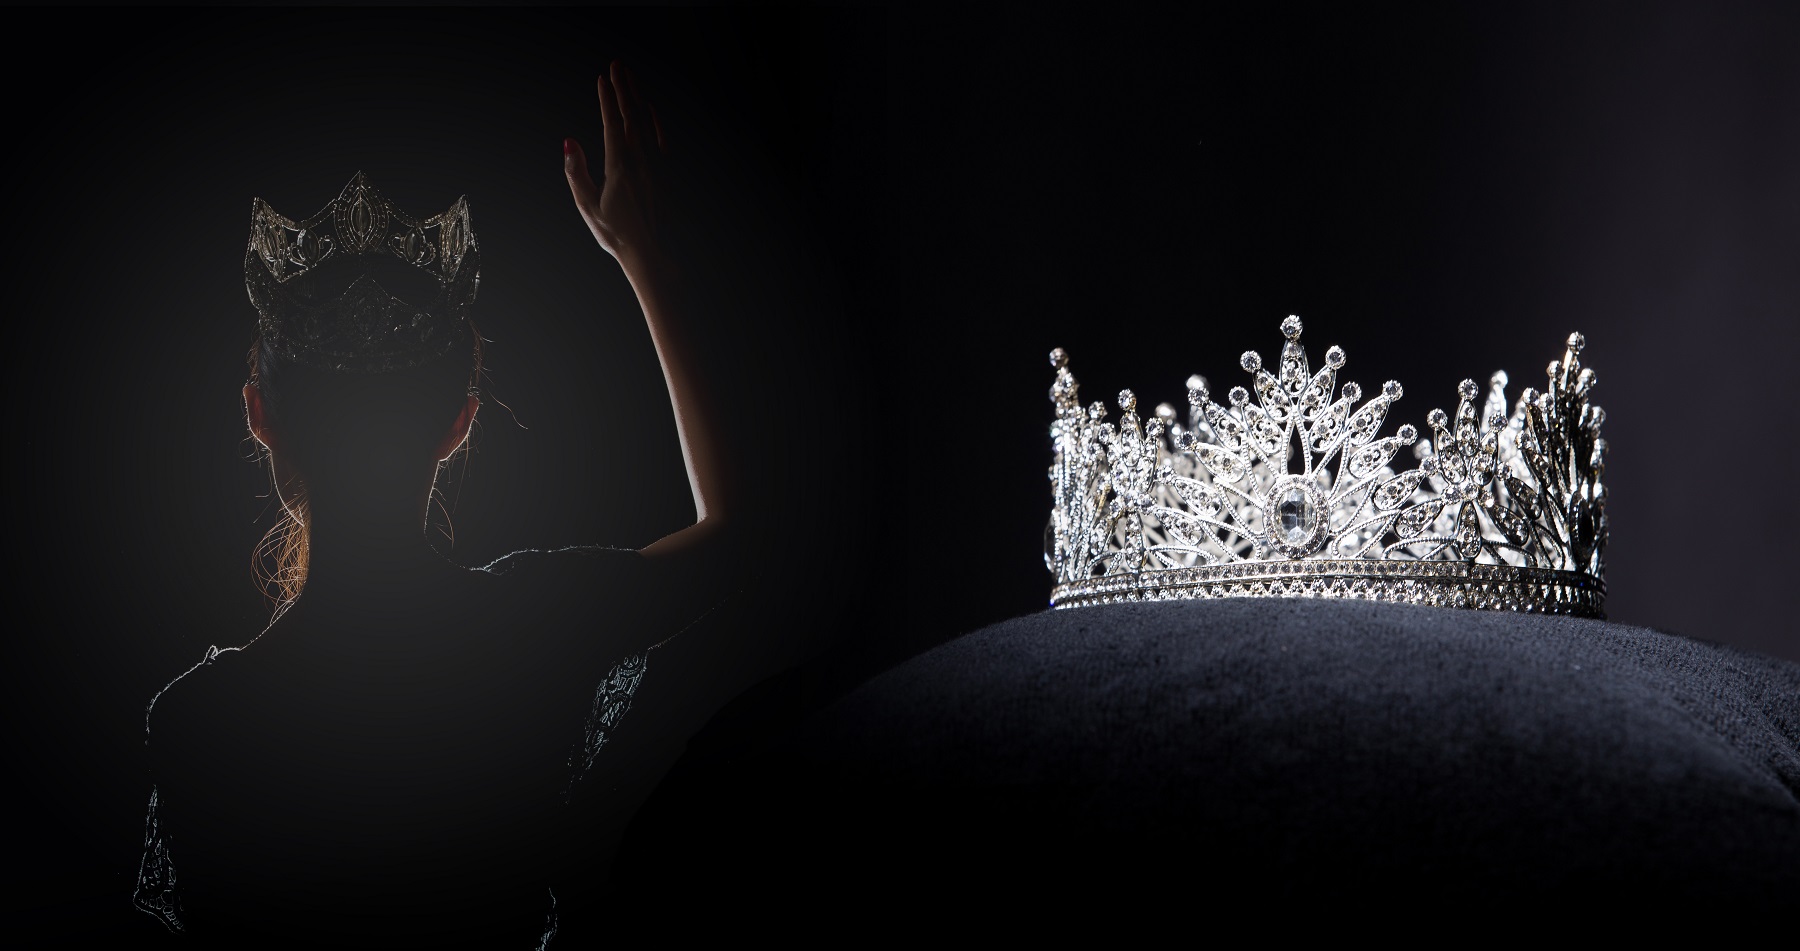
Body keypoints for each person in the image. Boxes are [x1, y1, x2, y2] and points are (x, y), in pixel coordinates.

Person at [131, 62, 744, 946]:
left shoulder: (199, 729)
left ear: (259, 414)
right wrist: (644, 261)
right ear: (460, 422)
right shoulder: (530, 630)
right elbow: (737, 535)